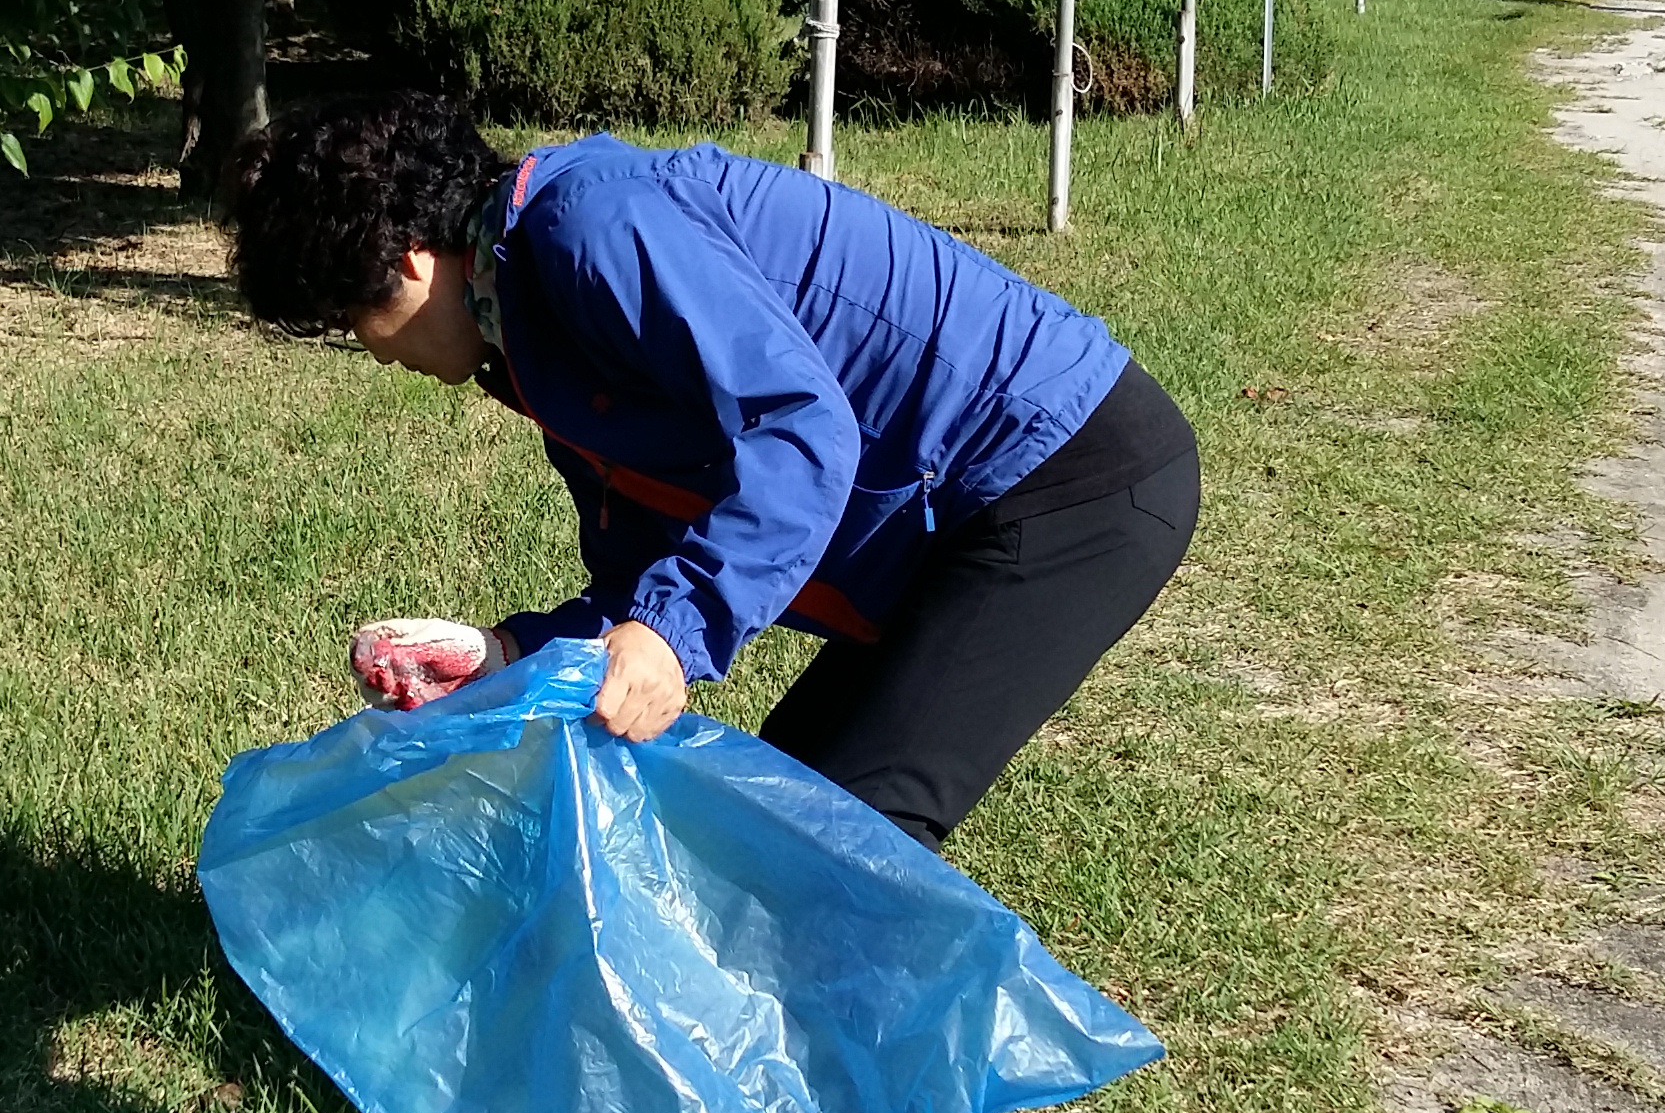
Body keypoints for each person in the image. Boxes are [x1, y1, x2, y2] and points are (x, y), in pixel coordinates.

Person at [230, 93, 1200, 852]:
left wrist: (673, 632)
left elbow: (800, 428)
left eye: (350, 320)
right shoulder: (528, 324)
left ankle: (894, 1063)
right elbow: (644, 567)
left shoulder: (586, 231)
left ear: (407, 261)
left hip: (1063, 474)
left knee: (841, 837)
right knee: (780, 809)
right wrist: (507, 650)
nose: (371, 350)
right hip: (967, 502)